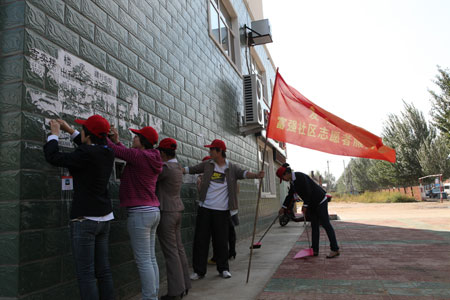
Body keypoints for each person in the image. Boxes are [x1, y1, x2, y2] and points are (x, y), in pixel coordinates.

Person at [43, 115, 115, 300]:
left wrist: (54, 135)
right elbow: (87, 146)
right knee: (104, 271)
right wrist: (70, 130)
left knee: (86, 274)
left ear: (88, 135)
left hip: (85, 220)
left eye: (83, 130)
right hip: (104, 217)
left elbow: (53, 157)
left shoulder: (85, 154)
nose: (81, 131)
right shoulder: (107, 152)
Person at [183, 139, 264, 279]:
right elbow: (193, 169)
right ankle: (199, 271)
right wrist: (181, 169)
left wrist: (257, 175)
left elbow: (244, 173)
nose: (209, 152)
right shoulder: (208, 165)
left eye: (212, 149)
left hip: (222, 211)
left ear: (219, 151)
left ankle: (223, 269)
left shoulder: (231, 168)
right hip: (205, 209)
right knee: (201, 240)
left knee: (221, 241)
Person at [107, 126, 162, 300]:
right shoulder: (150, 157)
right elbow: (124, 151)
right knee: (150, 259)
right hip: (152, 211)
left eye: (136, 136)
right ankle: (153, 294)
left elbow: (115, 150)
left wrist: (102, 135)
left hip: (140, 213)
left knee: (144, 261)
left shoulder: (139, 156)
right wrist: (116, 140)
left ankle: (149, 297)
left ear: (143, 141)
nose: (133, 138)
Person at [276, 163, 339, 258]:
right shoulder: (292, 182)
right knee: (314, 226)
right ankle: (314, 250)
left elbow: (308, 192)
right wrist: (283, 207)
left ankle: (335, 249)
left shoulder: (299, 177)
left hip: (320, 201)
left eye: (282, 178)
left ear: (286, 174)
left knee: (326, 224)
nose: (284, 180)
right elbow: (290, 196)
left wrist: (304, 206)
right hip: (312, 204)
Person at [155, 138, 191, 300]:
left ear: (162, 153)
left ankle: (175, 291)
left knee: (171, 253)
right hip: (176, 210)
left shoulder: (166, 168)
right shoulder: (177, 166)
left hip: (167, 212)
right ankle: (185, 285)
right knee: (178, 249)